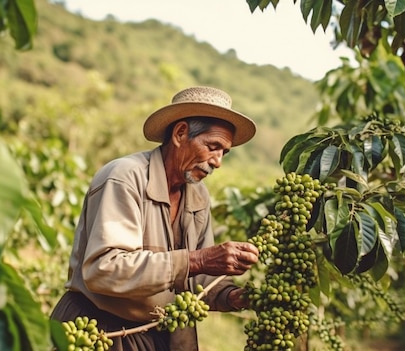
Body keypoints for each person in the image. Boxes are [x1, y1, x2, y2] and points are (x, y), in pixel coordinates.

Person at [50, 86, 260, 351]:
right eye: (212, 146)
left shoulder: (198, 195)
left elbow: (196, 278)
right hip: (97, 331)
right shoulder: (125, 177)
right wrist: (200, 259)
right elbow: (105, 269)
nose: (217, 161)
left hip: (156, 335)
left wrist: (232, 296)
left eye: (224, 152)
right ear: (180, 133)